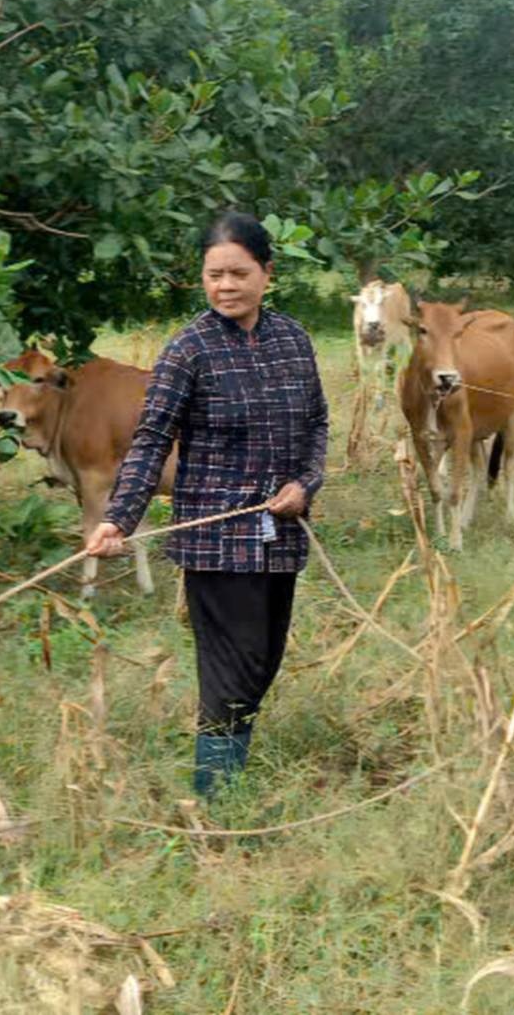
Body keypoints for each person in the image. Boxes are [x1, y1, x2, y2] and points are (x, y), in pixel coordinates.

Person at [86, 213, 329, 798]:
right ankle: (213, 799)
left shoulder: (293, 340)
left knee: (264, 662)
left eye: (238, 273)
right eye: (213, 275)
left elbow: (316, 423)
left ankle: (228, 780)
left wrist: (304, 484)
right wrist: (118, 517)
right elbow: (149, 442)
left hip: (282, 535)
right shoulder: (188, 351)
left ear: (267, 273)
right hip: (216, 540)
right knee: (233, 668)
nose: (225, 286)